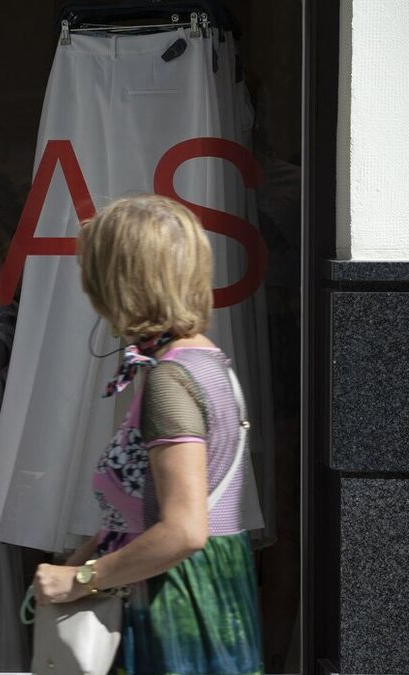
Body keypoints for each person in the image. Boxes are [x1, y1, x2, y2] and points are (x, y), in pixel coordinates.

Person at [32, 195, 264, 674]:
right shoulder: (205, 361)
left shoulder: (170, 380)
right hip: (200, 596)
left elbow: (184, 529)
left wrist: (83, 578)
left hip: (171, 606)